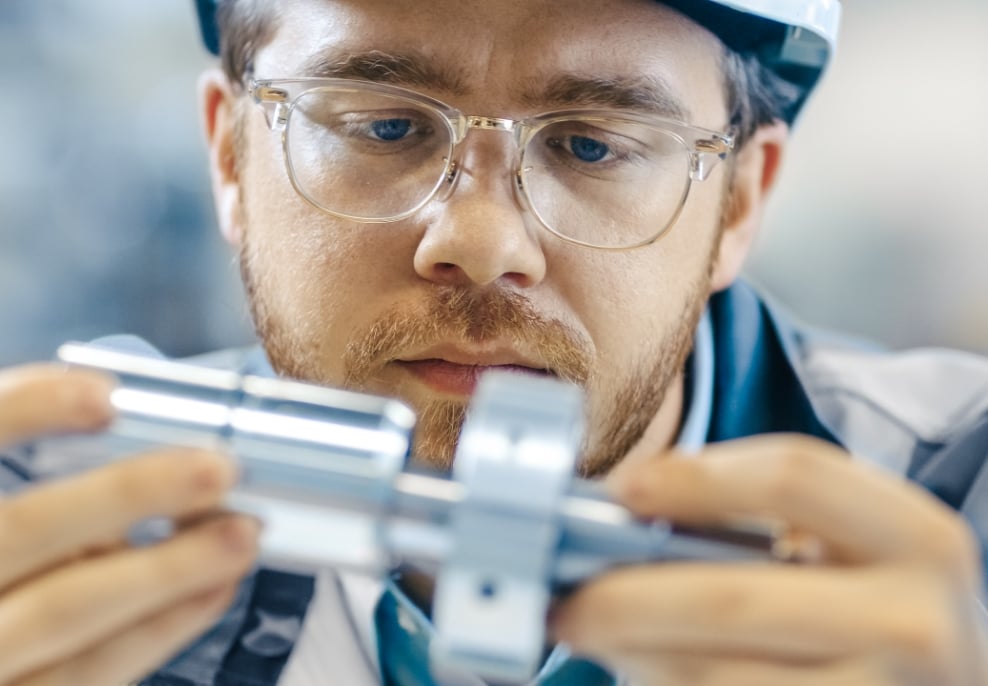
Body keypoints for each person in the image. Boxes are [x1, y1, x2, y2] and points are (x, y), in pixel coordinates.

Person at [1, 0, 987, 684]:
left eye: (591, 143)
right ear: (228, 156)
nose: (479, 241)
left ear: (739, 201)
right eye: (384, 126)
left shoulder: (962, 492)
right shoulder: (38, 531)